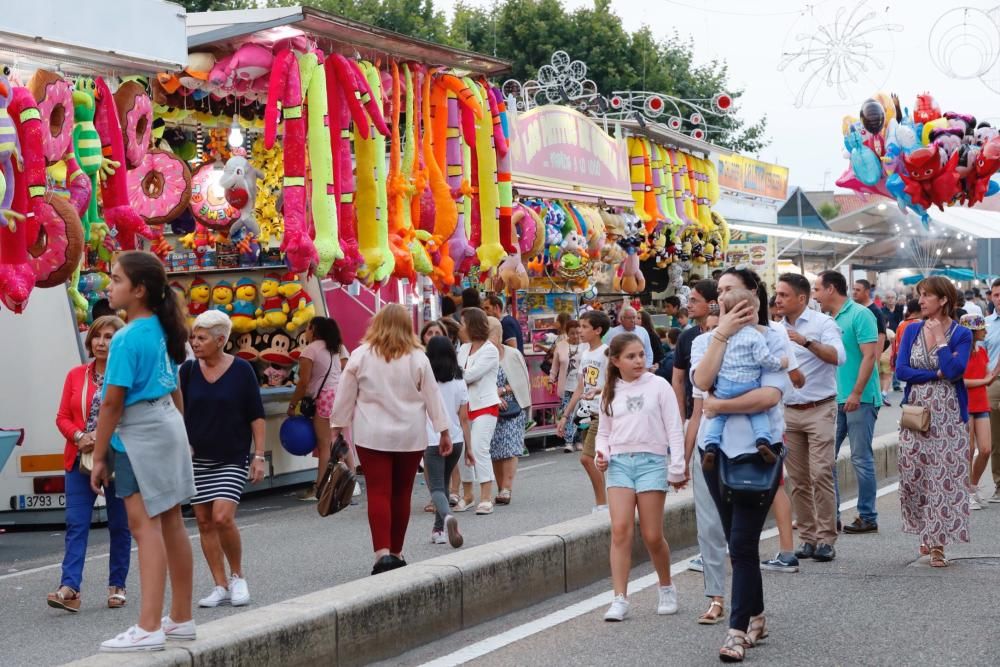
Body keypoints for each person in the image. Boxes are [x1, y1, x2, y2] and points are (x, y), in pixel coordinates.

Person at [89, 251, 196, 652]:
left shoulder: (126, 337)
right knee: (171, 523)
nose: (109, 286)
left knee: (144, 527)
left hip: (139, 432)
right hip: (167, 423)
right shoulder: (165, 328)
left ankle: (148, 625)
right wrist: (180, 431)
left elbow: (113, 403)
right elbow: (174, 389)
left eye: (116, 280)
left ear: (139, 290)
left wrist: (99, 456)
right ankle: (180, 618)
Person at [691, 267, 792, 660]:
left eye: (731, 289)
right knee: (737, 541)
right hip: (714, 453)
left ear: (753, 294)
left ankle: (736, 631)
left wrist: (720, 405)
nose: (724, 297)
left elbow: (768, 396)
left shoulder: (772, 337)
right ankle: (757, 616)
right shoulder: (706, 340)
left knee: (744, 541)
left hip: (758, 450)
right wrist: (721, 335)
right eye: (719, 291)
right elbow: (702, 380)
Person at [330, 304, 452, 575]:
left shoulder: (361, 355)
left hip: (371, 435)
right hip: (410, 435)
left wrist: (336, 429)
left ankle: (381, 554)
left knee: (378, 492)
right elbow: (433, 397)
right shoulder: (418, 357)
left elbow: (345, 396)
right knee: (401, 494)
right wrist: (443, 431)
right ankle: (397, 551)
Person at [595, 333, 685, 622]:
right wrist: (602, 453)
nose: (638, 361)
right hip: (619, 463)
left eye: (641, 355)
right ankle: (619, 598)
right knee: (620, 530)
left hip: (652, 462)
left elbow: (674, 428)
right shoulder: (609, 390)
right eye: (631, 356)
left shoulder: (659, 386)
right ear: (616, 360)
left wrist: (677, 467)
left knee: (652, 535)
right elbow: (604, 432)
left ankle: (666, 586)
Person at [179, 311, 265, 608]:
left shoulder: (242, 370)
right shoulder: (188, 372)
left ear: (221, 340)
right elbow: (179, 411)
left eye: (201, 338)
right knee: (203, 521)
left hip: (232, 456)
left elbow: (256, 415)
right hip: (197, 458)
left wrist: (258, 456)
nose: (195, 343)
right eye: (193, 336)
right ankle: (219, 585)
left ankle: (238, 576)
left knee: (222, 517)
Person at [50, 316, 129, 614]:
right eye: (97, 336)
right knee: (76, 523)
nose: (101, 342)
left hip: (118, 457)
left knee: (119, 524)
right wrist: (79, 435)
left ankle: (117, 586)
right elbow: (61, 417)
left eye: (109, 337)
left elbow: (132, 416)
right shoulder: (75, 375)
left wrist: (100, 435)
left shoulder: (126, 376)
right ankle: (69, 587)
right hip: (79, 458)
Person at [896, 277, 972, 566]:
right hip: (916, 412)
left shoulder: (961, 334)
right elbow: (902, 370)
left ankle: (939, 544)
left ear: (943, 300)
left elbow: (954, 371)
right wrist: (934, 374)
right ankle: (925, 531)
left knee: (944, 478)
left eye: (927, 295)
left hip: (949, 415)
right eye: (920, 295)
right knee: (915, 474)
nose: (921, 300)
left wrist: (941, 339)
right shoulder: (912, 330)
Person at [775, 273, 845, 563]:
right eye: (776, 294)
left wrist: (805, 342)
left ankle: (827, 538)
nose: (777, 300)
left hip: (820, 409)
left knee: (820, 473)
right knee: (799, 479)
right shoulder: (774, 329)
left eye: (783, 295)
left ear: (801, 299)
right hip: (789, 411)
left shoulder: (823, 324)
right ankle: (808, 538)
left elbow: (837, 357)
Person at [815, 270, 882, 534]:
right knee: (825, 459)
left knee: (860, 458)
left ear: (831, 289)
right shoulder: (828, 319)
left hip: (861, 399)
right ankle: (832, 516)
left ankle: (868, 516)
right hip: (835, 398)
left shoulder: (860, 315)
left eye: (818, 289)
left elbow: (869, 357)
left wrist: (856, 393)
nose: (815, 295)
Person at [700, 288, 788, 469]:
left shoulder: (719, 337)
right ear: (749, 313)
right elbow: (765, 360)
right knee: (757, 412)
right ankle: (763, 439)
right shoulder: (755, 335)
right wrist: (781, 363)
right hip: (748, 384)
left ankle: (710, 446)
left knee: (718, 417)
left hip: (724, 385)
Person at [557, 310, 613, 512]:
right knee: (597, 459)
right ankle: (605, 502)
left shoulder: (607, 352)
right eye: (580, 326)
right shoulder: (586, 353)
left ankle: (602, 504)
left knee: (587, 458)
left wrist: (599, 392)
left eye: (585, 327)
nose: (580, 330)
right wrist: (565, 415)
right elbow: (580, 388)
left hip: (602, 411)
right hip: (585, 412)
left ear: (598, 330)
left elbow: (614, 383)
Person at [288, 317, 350, 500]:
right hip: (339, 397)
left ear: (314, 329)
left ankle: (320, 488)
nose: (305, 331)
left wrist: (292, 405)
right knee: (338, 441)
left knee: (325, 446)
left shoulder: (310, 350)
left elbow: (303, 382)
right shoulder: (333, 348)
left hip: (323, 400)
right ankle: (349, 480)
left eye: (307, 327)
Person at [424, 336, 473, 548]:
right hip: (456, 440)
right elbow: (464, 418)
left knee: (435, 487)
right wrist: (469, 448)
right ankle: (439, 531)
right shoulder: (460, 381)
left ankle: (447, 518)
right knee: (443, 484)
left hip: (433, 439)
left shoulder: (425, 380)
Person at [455, 307, 501, 514]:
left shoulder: (490, 350)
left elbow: (468, 375)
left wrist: (453, 373)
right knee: (464, 451)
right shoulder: (463, 349)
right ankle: (468, 495)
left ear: (472, 324)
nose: (460, 326)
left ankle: (486, 497)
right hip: (464, 407)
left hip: (485, 405)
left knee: (479, 448)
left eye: (463, 322)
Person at [488, 317, 531, 505]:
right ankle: (501, 487)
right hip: (488, 406)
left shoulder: (513, 354)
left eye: (493, 333)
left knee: (511, 446)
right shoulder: (478, 356)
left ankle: (507, 488)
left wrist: (503, 391)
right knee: (495, 449)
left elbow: (522, 380)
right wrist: (492, 396)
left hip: (513, 406)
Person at [960, 314, 995, 510]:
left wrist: (994, 373)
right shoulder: (961, 353)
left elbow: (986, 374)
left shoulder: (982, 351)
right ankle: (966, 492)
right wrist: (985, 381)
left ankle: (972, 487)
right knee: (968, 450)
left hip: (981, 403)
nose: (986, 331)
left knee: (985, 449)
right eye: (982, 328)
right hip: (965, 405)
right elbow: (959, 381)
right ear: (973, 331)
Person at [672, 279, 719, 421]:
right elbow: (678, 380)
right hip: (694, 415)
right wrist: (681, 416)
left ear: (712, 304)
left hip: (725, 410)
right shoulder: (686, 336)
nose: (688, 305)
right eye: (688, 300)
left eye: (694, 301)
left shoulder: (728, 334)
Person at [549, 319, 584, 453]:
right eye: (572, 333)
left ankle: (578, 439)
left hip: (582, 386)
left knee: (581, 413)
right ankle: (569, 441)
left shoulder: (585, 346)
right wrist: (551, 379)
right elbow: (555, 365)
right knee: (567, 413)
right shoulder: (561, 345)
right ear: (567, 333)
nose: (575, 336)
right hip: (566, 386)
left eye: (577, 333)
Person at [605, 306, 655, 370]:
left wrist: (646, 367)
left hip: (640, 369)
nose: (632, 320)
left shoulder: (642, 331)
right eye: (629, 318)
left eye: (634, 317)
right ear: (622, 319)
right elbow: (608, 353)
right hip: (620, 370)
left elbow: (648, 352)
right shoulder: (613, 333)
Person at [986, 278, 1000, 503]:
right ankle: (999, 483)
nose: (999, 299)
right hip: (991, 384)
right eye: (996, 295)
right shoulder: (984, 323)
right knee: (995, 439)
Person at [854, 279, 888, 357]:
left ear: (867, 292)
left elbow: (881, 337)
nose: (854, 292)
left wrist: (876, 362)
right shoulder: (855, 308)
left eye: (858, 290)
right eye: (854, 289)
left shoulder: (876, 312)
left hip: (868, 358)